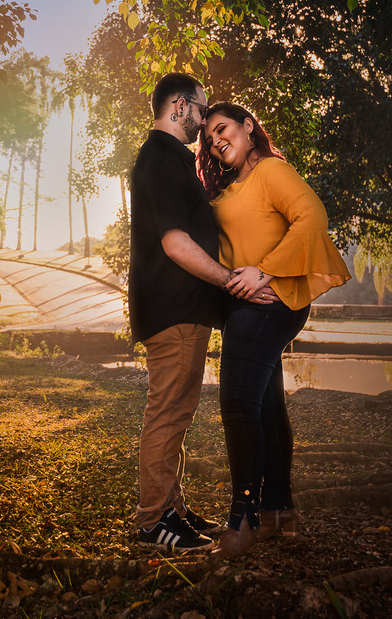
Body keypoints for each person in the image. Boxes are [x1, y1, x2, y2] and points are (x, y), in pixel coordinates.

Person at [128, 74, 277, 553]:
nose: (205, 125)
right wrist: (232, 280)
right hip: (175, 310)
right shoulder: (163, 161)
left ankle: (172, 510)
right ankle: (154, 522)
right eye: (200, 109)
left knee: (176, 414)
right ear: (179, 105)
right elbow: (175, 243)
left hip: (178, 311)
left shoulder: (167, 160)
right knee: (168, 415)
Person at [196, 101, 350, 557]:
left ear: (248, 127)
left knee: (238, 406)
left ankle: (241, 521)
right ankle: (280, 512)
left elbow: (313, 218)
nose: (216, 140)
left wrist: (264, 272)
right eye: (208, 138)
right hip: (244, 308)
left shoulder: (271, 171)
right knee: (265, 405)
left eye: (222, 129)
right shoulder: (230, 184)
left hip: (271, 302)